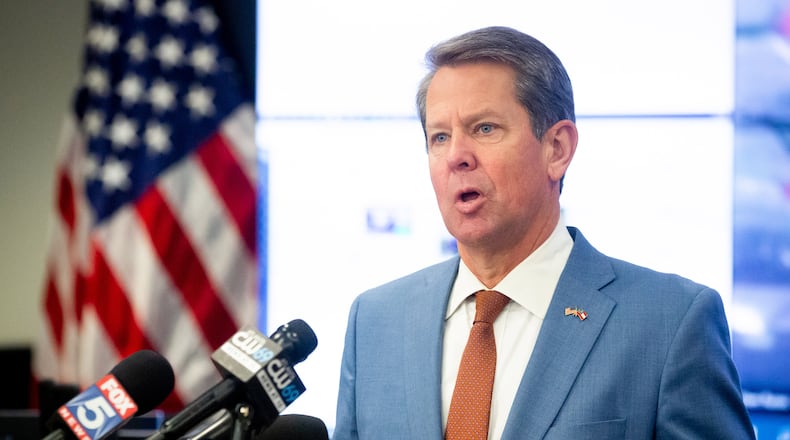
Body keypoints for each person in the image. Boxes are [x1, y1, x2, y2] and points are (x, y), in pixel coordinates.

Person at [333, 26, 755, 439]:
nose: (456, 157)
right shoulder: (374, 322)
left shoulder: (670, 323)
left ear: (557, 149)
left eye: (484, 128)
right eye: (439, 137)